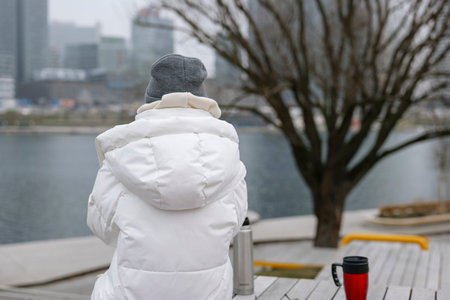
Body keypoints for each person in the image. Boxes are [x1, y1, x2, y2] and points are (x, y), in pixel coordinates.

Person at [87, 54, 248, 300]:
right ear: (202, 100)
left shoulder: (121, 155)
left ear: (151, 99)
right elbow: (234, 225)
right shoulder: (229, 157)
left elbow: (102, 230)